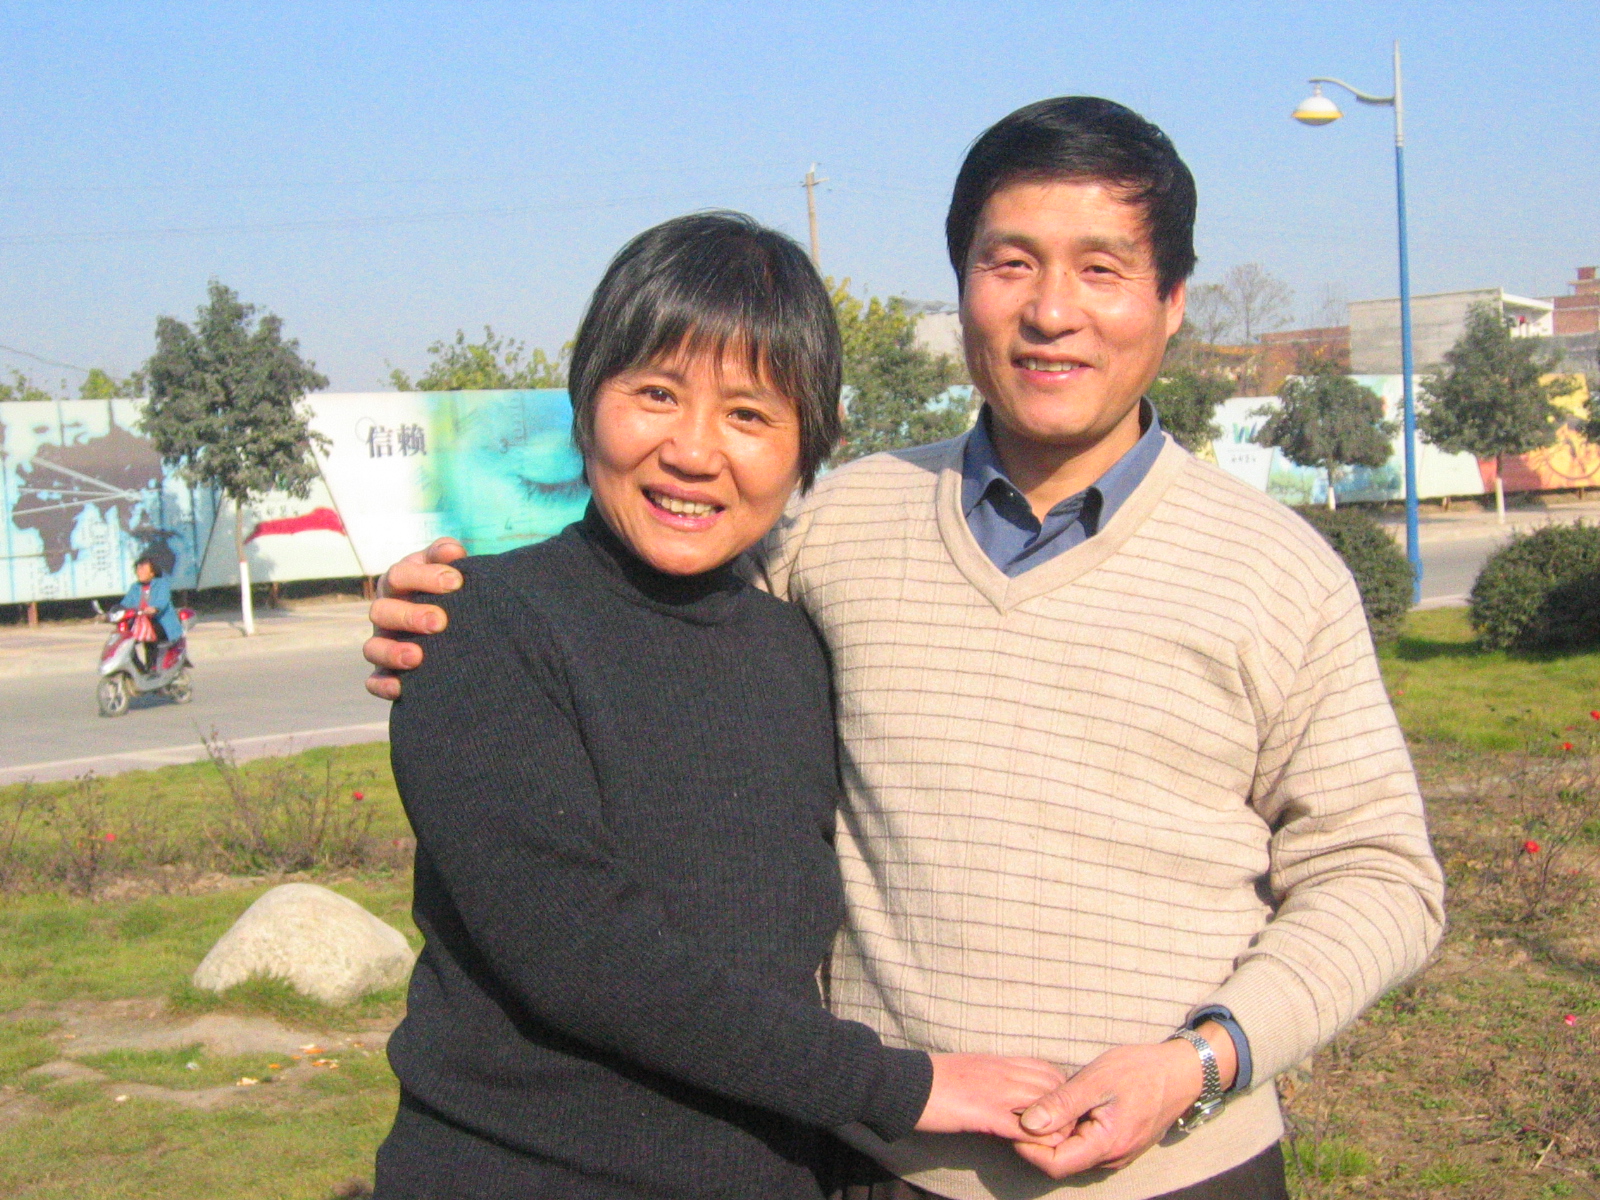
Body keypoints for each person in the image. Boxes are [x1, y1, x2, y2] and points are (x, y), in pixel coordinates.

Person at [366, 99, 1445, 1200]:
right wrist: (443, 606)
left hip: (1178, 1172)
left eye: (1101, 269)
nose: (1051, 312)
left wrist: (1199, 1062)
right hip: (881, 1165)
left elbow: (1378, 875)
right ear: (963, 285)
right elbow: (639, 596)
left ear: (1170, 301)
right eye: (1010, 263)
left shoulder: (1277, 571)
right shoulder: (838, 528)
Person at [370, 212, 1069, 1200]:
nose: (693, 452)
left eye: (748, 414)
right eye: (656, 394)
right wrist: (902, 1087)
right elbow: (580, 951)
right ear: (587, 403)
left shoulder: (798, 647)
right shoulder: (483, 629)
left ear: (808, 448)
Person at [119, 554, 182, 673]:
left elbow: (162, 601)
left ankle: (153, 668)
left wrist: (154, 608)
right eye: (138, 569)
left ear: (152, 572)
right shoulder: (135, 587)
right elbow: (125, 603)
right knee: (124, 641)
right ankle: (139, 670)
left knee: (151, 635)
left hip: (161, 623)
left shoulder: (161, 584)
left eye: (143, 569)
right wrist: (114, 612)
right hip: (141, 623)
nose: (139, 572)